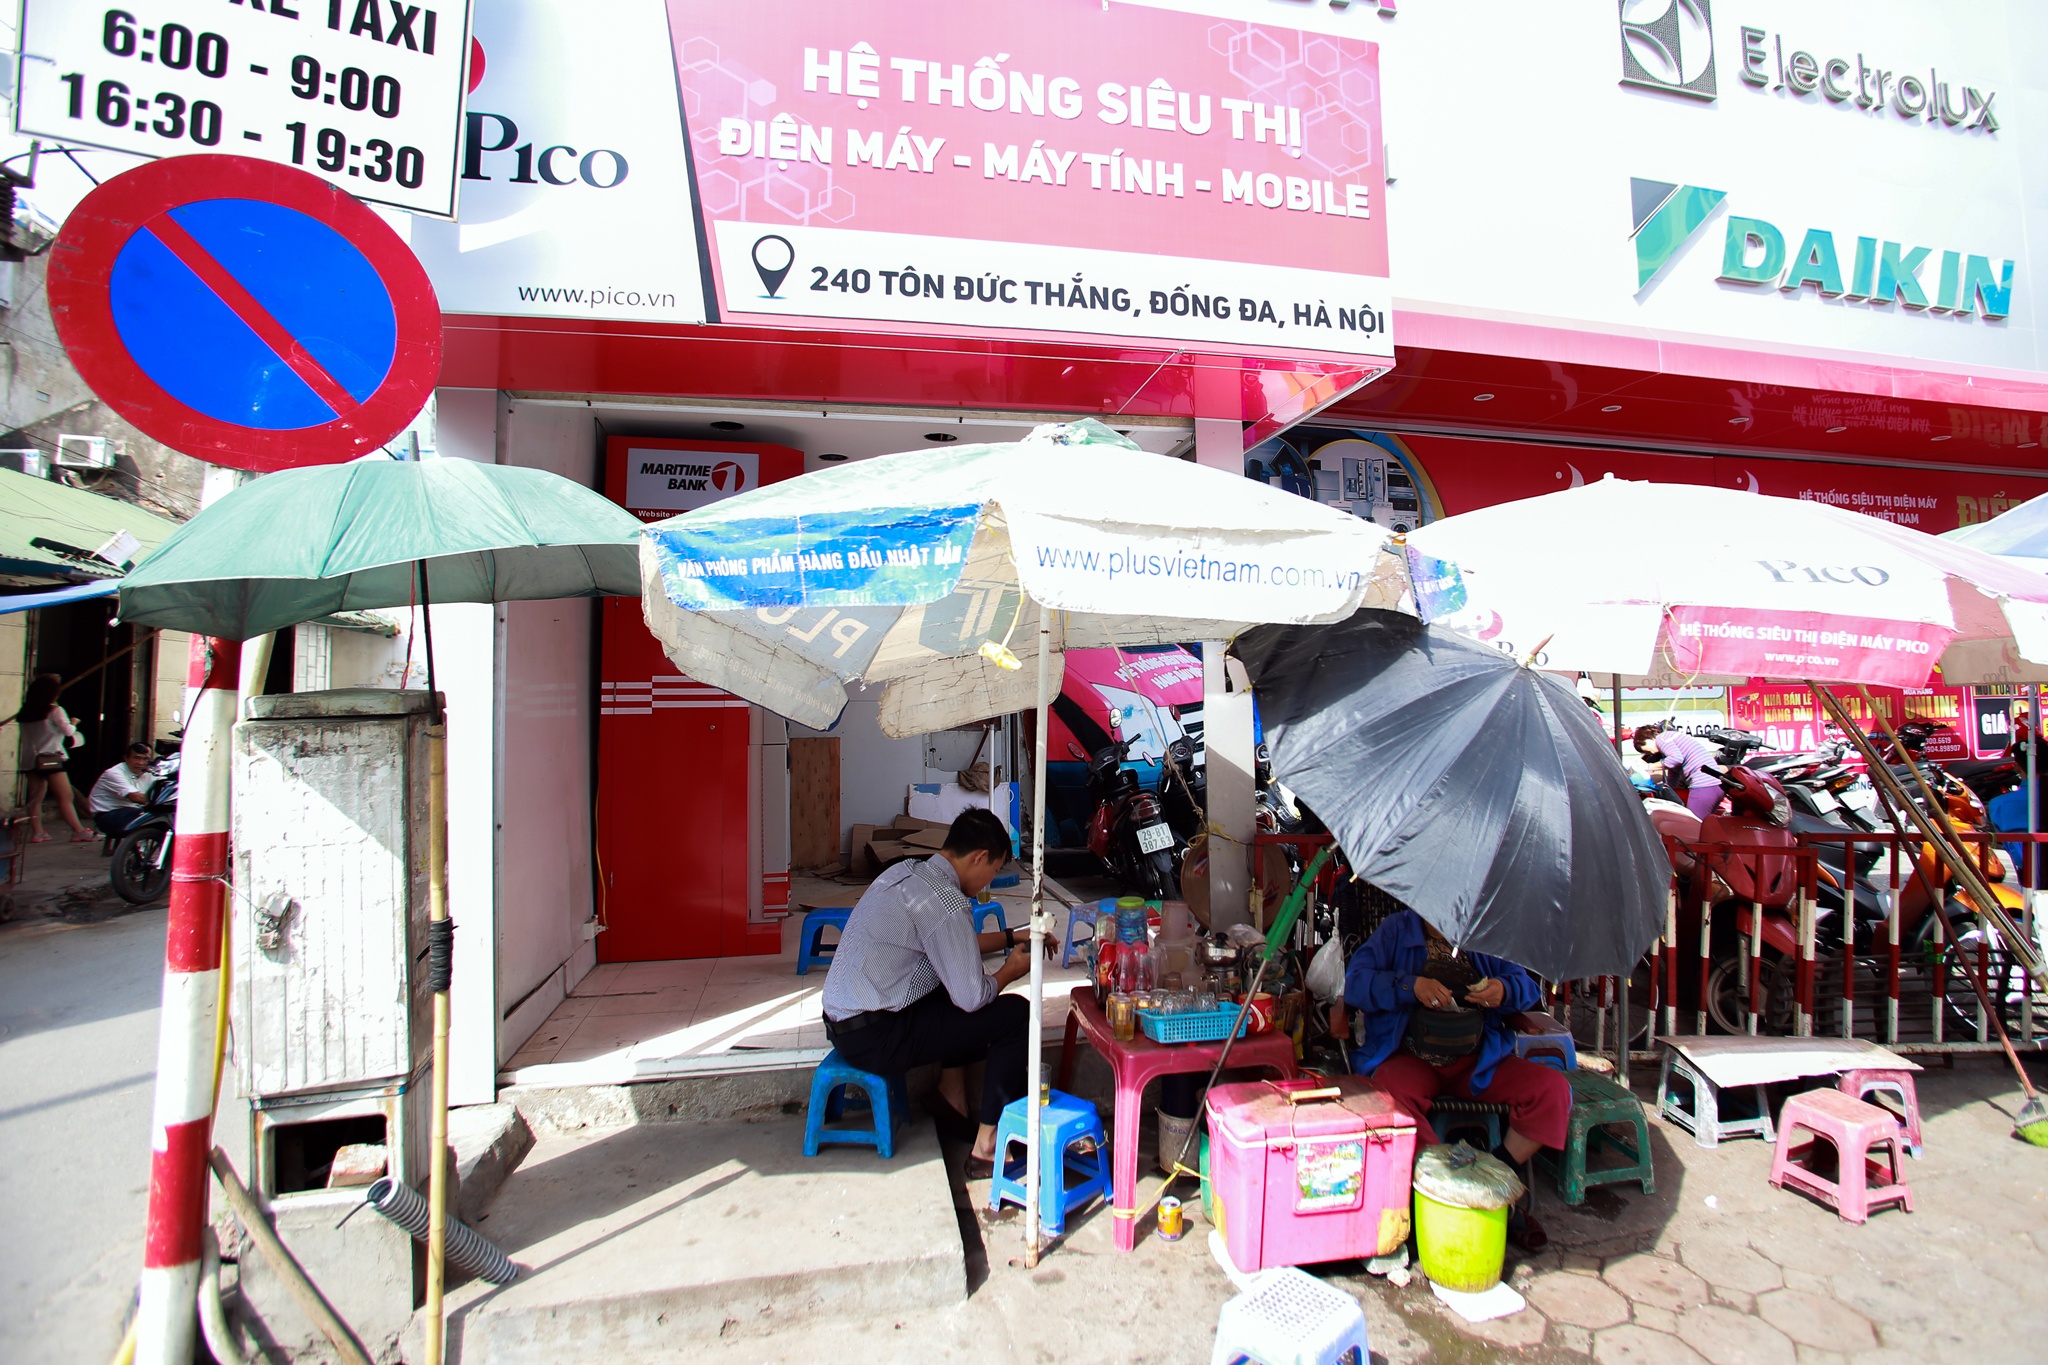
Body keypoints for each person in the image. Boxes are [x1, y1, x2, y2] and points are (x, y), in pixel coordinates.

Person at [821, 808, 1037, 1173]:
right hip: (877, 1037)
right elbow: (973, 996)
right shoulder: (947, 901)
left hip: (843, 1023)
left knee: (947, 975)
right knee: (1015, 1015)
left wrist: (1012, 936)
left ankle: (950, 1098)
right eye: (994, 870)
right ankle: (987, 1148)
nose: (988, 882)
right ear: (979, 857)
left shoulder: (906, 872)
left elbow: (952, 943)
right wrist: (1009, 972)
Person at [1345, 907, 1571, 1249]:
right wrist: (1410, 985)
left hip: (1476, 1062)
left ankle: (1494, 1179)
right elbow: (1356, 983)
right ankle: (1442, 1189)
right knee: (1388, 1101)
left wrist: (1503, 990)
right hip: (1410, 1058)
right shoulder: (1396, 931)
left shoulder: (1486, 934)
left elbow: (1527, 987)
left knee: (1552, 1090)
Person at [13, 674, 91, 843]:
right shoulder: (55, 710)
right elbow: (69, 732)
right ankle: (79, 831)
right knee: (66, 797)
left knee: (35, 799)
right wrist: (74, 723)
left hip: (30, 760)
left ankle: (38, 833)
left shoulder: (26, 712)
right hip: (51, 759)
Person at [1633, 723, 1724, 819]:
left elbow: (1676, 759)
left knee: (1693, 826)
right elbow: (1674, 772)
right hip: (1716, 786)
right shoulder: (1672, 739)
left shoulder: (1662, 739)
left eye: (1647, 751)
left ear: (1648, 739)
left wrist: (1649, 766)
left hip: (1704, 785)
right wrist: (1665, 789)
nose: (1651, 753)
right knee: (1704, 827)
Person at [88, 742, 156, 837]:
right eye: (136, 758)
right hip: (107, 816)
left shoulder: (150, 773)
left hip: (130, 811)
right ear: (126, 758)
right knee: (151, 815)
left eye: (145, 759)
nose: (141, 763)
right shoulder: (114, 773)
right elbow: (135, 797)